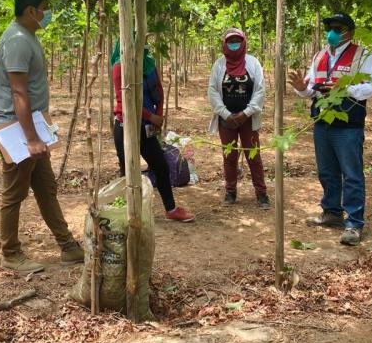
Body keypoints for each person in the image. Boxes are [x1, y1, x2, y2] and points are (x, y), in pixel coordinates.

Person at [0, 0, 83, 273]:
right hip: (16, 130)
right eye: (45, 8)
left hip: (31, 128)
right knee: (14, 193)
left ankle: (68, 246)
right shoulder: (17, 40)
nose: (48, 13)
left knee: (46, 188)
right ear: (31, 10)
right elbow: (19, 92)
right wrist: (31, 139)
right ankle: (11, 253)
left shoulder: (27, 36)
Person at [289, 13, 372, 246]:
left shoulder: (363, 56)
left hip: (348, 124)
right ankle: (331, 212)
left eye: (337, 28)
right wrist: (302, 88)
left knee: (351, 173)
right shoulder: (320, 56)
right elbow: (312, 88)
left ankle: (353, 222)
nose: (332, 32)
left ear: (349, 32)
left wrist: (347, 89)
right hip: (321, 121)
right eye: (329, 28)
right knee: (327, 171)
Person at [111, 38, 195, 222]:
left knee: (161, 166)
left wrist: (157, 116)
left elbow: (159, 92)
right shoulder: (119, 68)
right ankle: (129, 213)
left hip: (147, 127)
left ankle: (171, 209)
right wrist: (151, 116)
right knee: (127, 171)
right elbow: (127, 101)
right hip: (126, 126)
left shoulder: (149, 65)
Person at [207, 28, 270, 209]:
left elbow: (260, 90)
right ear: (224, 44)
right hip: (226, 120)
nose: (234, 44)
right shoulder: (219, 65)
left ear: (244, 42)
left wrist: (246, 113)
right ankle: (230, 192)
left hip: (248, 119)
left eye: (237, 40)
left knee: (253, 155)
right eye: (230, 41)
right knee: (229, 155)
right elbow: (212, 90)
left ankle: (261, 193)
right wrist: (226, 114)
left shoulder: (253, 63)